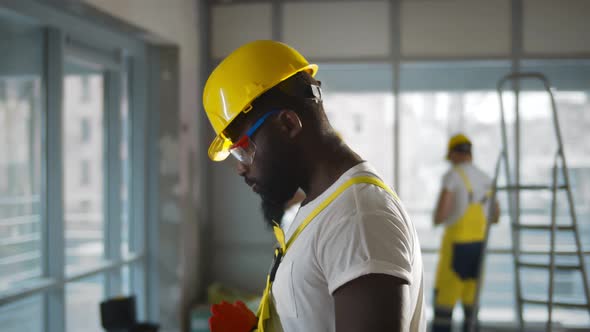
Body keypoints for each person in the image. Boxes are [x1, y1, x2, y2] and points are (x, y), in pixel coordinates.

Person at [203, 40, 426, 332]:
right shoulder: (324, 207)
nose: (241, 167)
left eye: (243, 150)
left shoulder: (357, 218)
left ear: (288, 124)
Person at [432, 134, 500, 332]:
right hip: (478, 248)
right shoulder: (486, 178)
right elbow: (495, 216)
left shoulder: (453, 176)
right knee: (471, 307)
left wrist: (437, 217)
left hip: (455, 249)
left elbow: (440, 215)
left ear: (454, 153)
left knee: (444, 305)